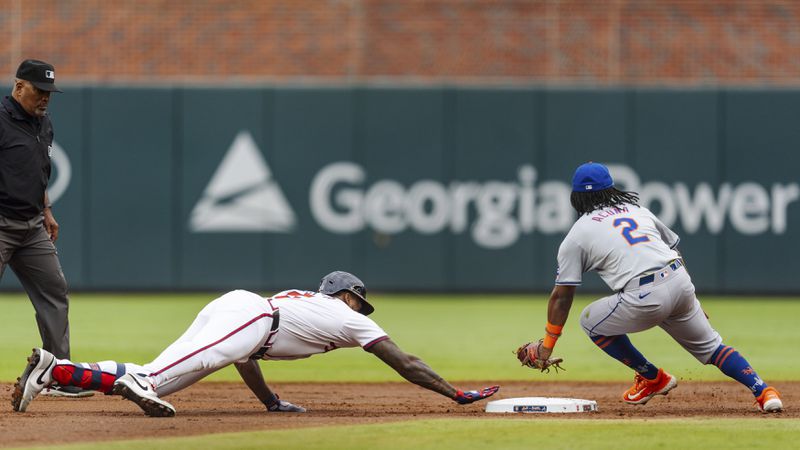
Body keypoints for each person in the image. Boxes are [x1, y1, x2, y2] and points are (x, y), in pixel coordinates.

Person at [13, 271, 499, 416]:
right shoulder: (342, 315)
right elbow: (405, 362)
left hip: (247, 318)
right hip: (252, 315)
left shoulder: (311, 306)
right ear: (347, 295)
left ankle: (54, 370)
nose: (362, 311)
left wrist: (271, 403)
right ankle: (139, 384)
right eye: (360, 302)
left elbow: (246, 357)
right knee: (155, 379)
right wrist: (455, 393)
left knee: (155, 374)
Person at [516, 162, 783, 413]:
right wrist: (693, 302)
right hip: (679, 282)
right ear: (611, 188)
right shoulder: (638, 210)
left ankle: (652, 377)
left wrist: (547, 346)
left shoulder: (577, 234)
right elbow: (672, 250)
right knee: (713, 348)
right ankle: (764, 392)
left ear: (575, 198)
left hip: (644, 296)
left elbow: (562, 296)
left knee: (589, 321)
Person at [0, 59, 90, 398]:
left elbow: (38, 172)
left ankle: (58, 374)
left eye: (50, 92)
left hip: (32, 226)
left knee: (54, 291)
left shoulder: (43, 123)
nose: (46, 98)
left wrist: (47, 209)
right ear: (19, 87)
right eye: (40, 90)